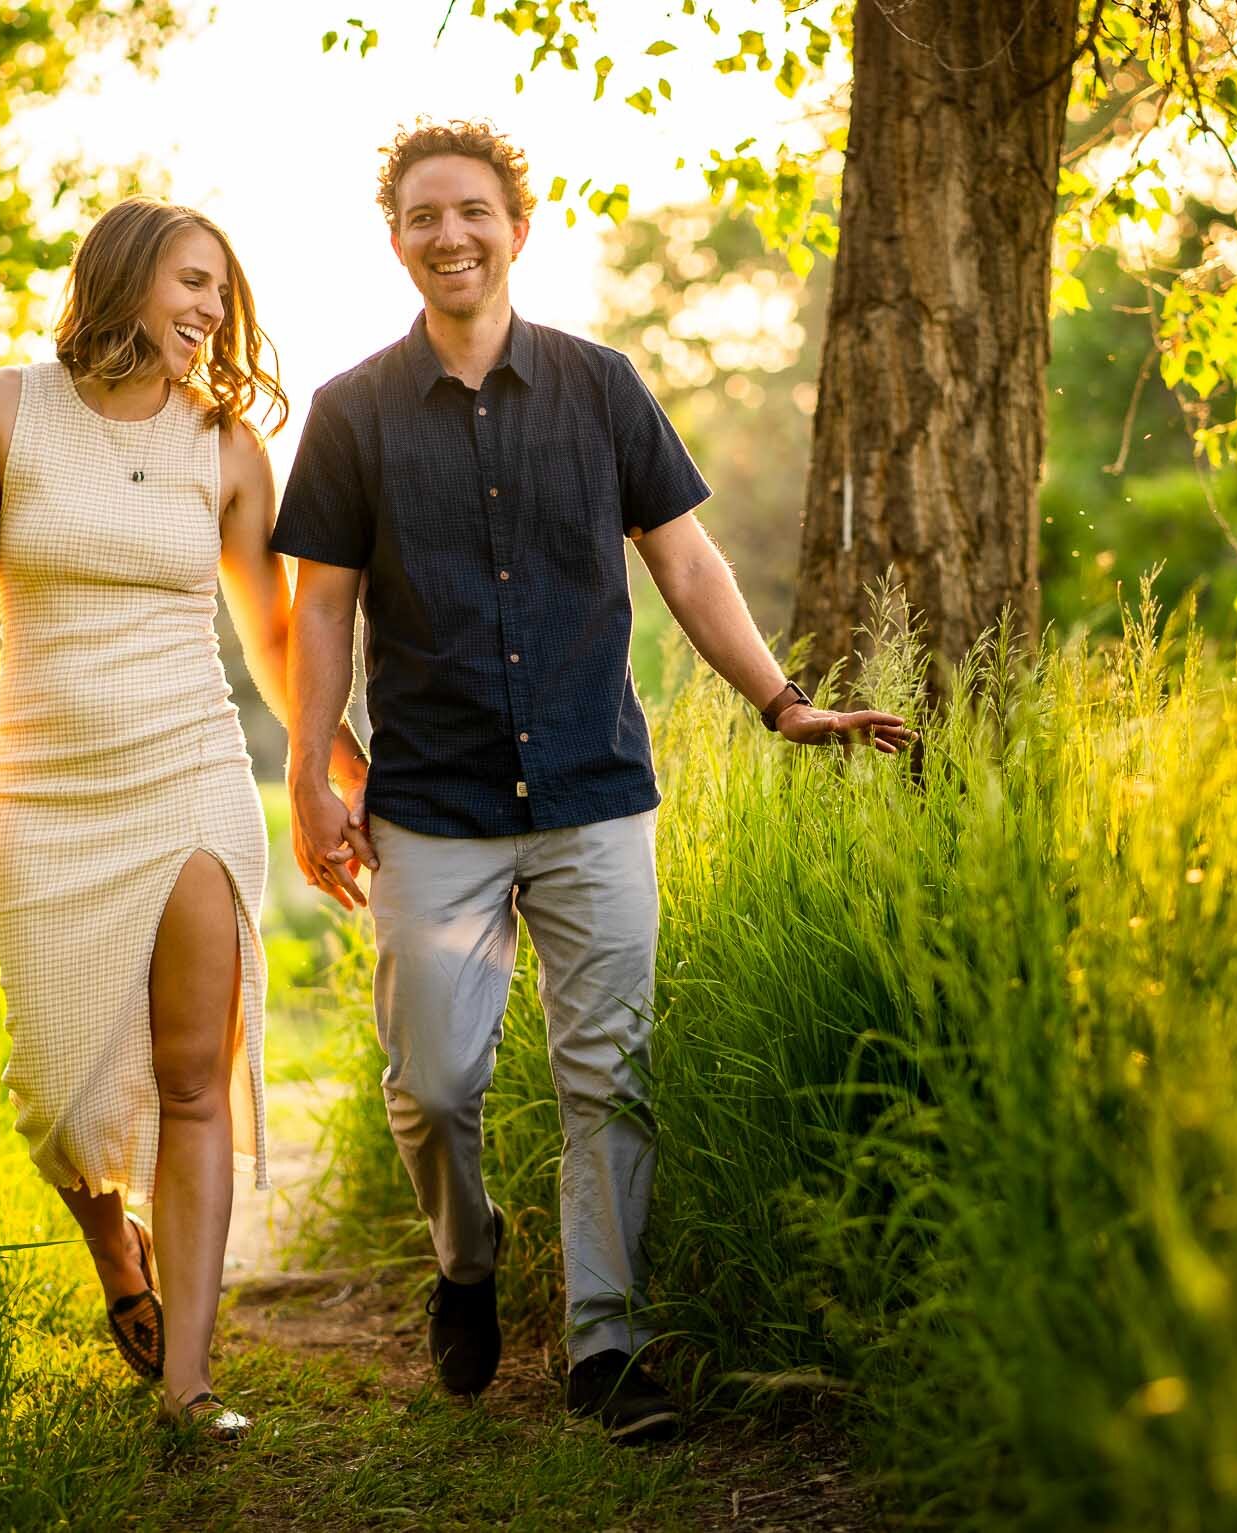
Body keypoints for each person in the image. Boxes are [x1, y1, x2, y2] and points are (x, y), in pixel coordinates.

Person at [274, 121, 912, 1445]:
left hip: (594, 793)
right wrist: (311, 775)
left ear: (521, 224)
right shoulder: (349, 415)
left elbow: (687, 565)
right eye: (423, 217)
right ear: (394, 240)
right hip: (432, 804)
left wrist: (781, 701)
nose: (450, 235)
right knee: (434, 1085)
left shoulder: (603, 387)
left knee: (606, 1075)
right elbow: (319, 615)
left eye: (473, 211)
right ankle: (466, 1264)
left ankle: (608, 1346)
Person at [0, 196, 368, 1440]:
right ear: (120, 279)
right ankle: (118, 1251)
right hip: (44, 788)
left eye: (222, 289)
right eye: (190, 282)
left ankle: (192, 1382)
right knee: (55, 1092)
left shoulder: (227, 446)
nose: (210, 309)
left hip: (191, 771)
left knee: (193, 1082)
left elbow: (269, 630)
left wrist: (330, 762)